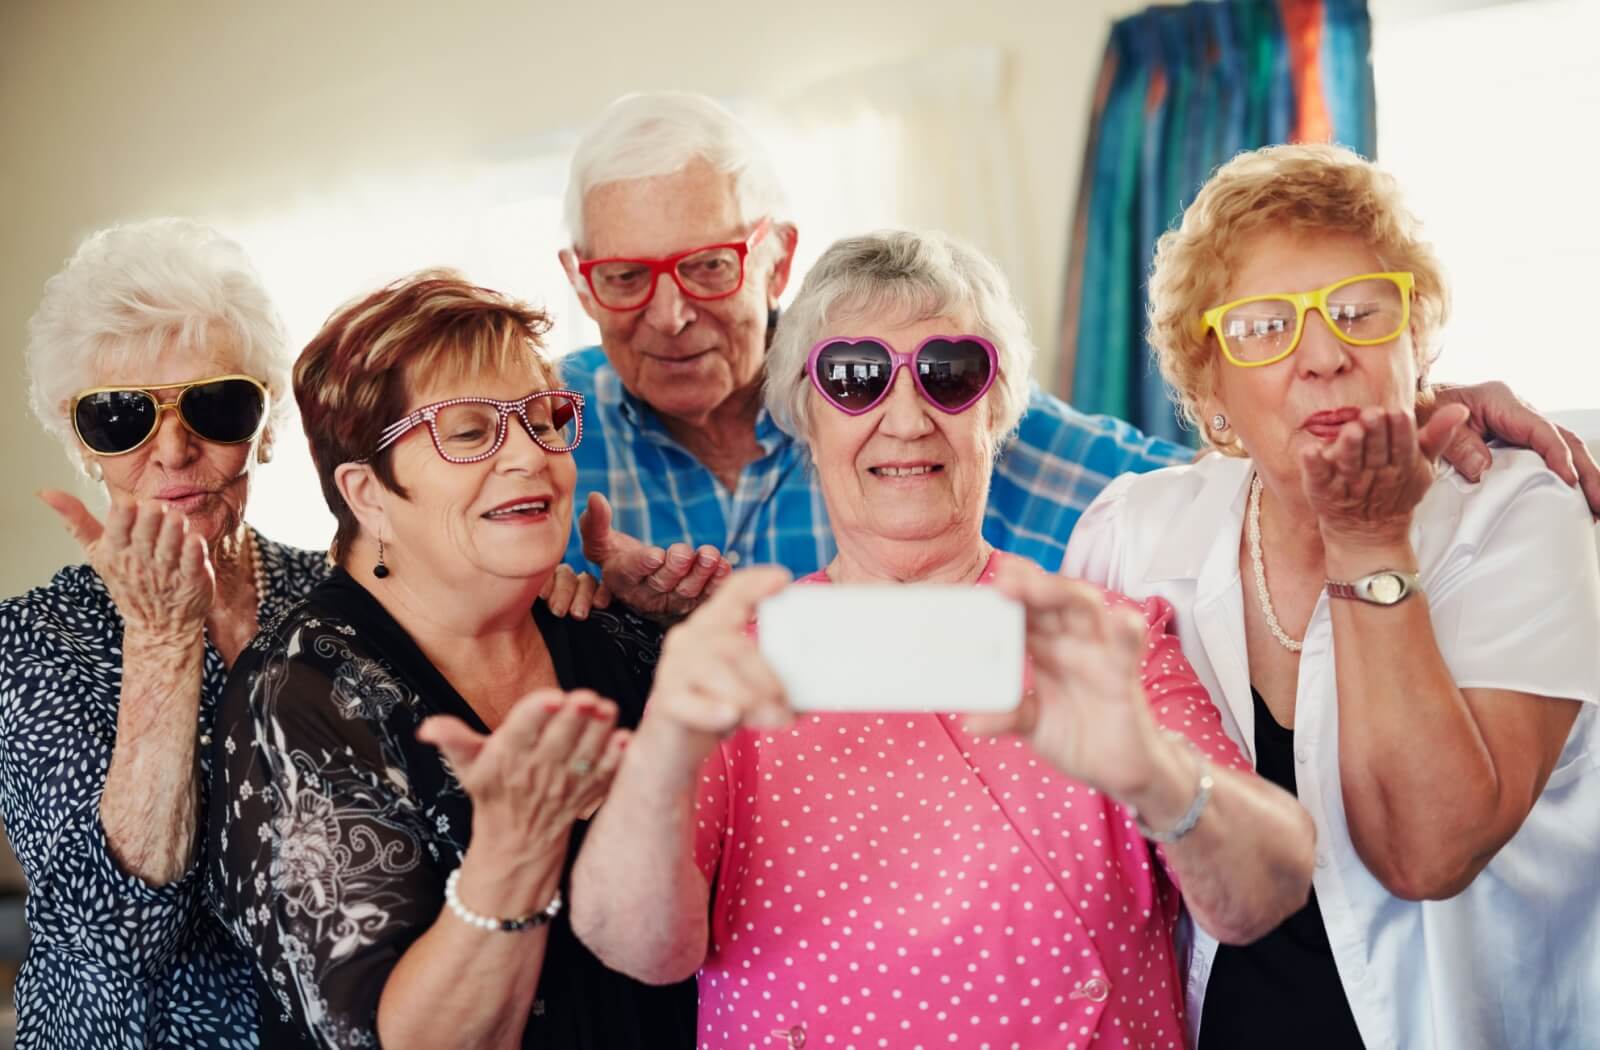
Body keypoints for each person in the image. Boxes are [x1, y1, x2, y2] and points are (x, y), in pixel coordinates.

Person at [571, 230, 1316, 1049]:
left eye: (949, 375)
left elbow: (1269, 890)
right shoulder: (735, 671)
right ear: (803, 415)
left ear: (996, 410)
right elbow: (638, 946)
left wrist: (1155, 773)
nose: (906, 418)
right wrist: (663, 750)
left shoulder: (1101, 640)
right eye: (855, 380)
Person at [556, 91, 1600, 613]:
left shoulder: (947, 396)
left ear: (774, 256)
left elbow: (1228, 480)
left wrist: (1400, 403)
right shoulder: (539, 447)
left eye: (706, 267)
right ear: (578, 278)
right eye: (623, 277)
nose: (668, 314)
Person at [1062, 143, 1600, 1050]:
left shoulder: (1518, 521)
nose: (1323, 356)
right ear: (1211, 385)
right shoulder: (1132, 534)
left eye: (1359, 313)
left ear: (1414, 341)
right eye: (1264, 328)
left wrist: (1368, 540)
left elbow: (1428, 856)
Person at [204, 271, 695, 1049]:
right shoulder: (298, 694)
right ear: (367, 494)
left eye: (543, 419)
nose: (530, 456)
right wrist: (515, 850)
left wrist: (697, 632)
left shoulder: (617, 639)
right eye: (469, 432)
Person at [0, 218, 327, 1048]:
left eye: (216, 405)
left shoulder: (334, 596)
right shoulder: (33, 640)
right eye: (121, 417)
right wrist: (161, 639)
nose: (174, 449)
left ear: (264, 424)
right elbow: (118, 939)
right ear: (85, 446)